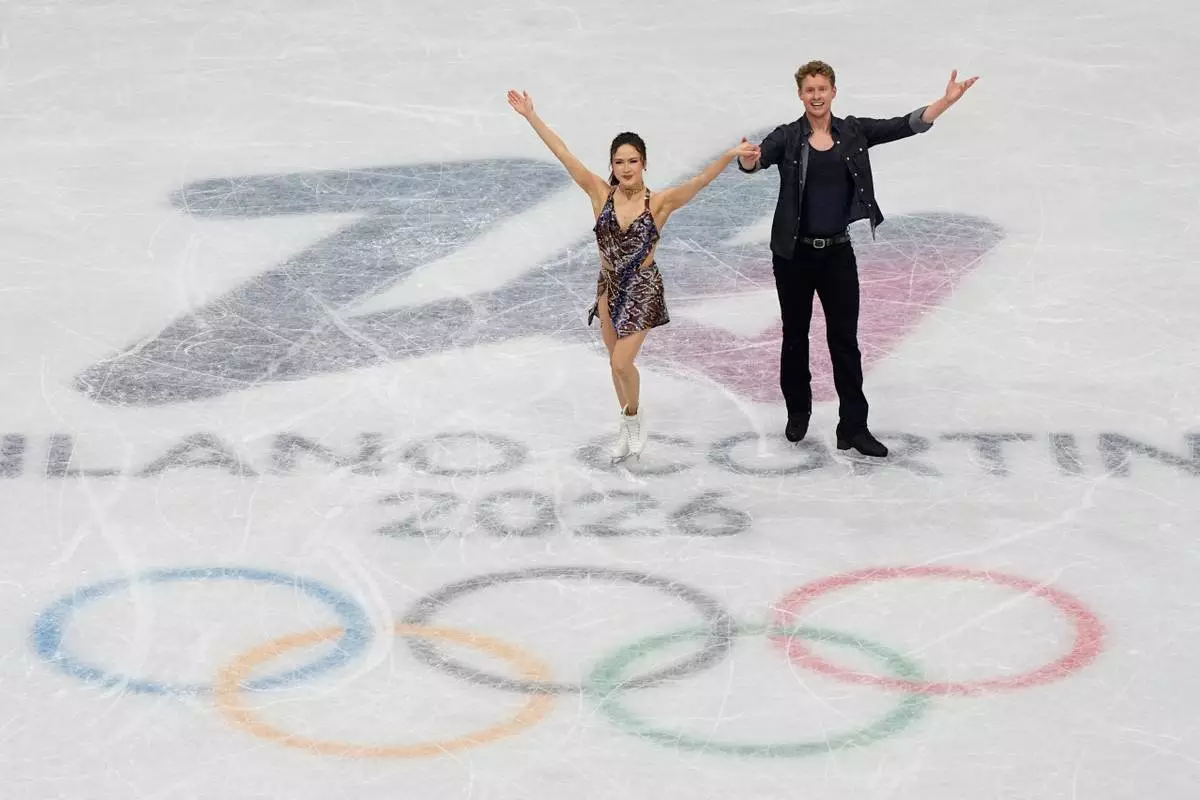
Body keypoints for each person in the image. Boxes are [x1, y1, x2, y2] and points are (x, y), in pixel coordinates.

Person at [737, 61, 978, 457]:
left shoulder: (852, 131)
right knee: (795, 338)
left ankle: (853, 426)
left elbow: (903, 125)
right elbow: (755, 161)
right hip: (793, 256)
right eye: (809, 90)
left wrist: (945, 103)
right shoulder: (787, 136)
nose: (816, 96)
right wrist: (748, 158)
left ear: (834, 91)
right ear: (800, 95)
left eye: (822, 88)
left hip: (837, 254)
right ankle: (798, 411)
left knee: (845, 342)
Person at [507, 89, 759, 461]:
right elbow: (563, 153)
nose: (626, 168)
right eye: (620, 161)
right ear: (612, 164)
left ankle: (635, 417)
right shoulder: (599, 194)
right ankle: (626, 423)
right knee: (614, 365)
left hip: (642, 288)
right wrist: (531, 116)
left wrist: (727, 156)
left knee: (622, 363)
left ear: (644, 164)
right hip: (608, 288)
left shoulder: (658, 203)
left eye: (633, 161)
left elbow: (700, 182)